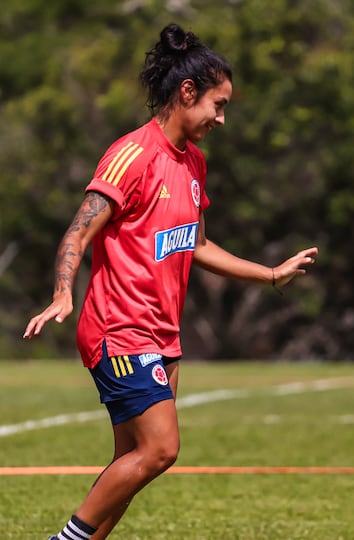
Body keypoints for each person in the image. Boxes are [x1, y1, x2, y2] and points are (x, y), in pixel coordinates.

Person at [23, 22, 318, 540]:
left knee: (130, 465)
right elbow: (77, 230)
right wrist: (62, 290)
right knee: (161, 449)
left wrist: (271, 274)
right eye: (218, 104)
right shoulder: (131, 155)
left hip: (163, 334)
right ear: (187, 93)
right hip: (119, 329)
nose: (221, 118)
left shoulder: (194, 165)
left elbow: (197, 244)